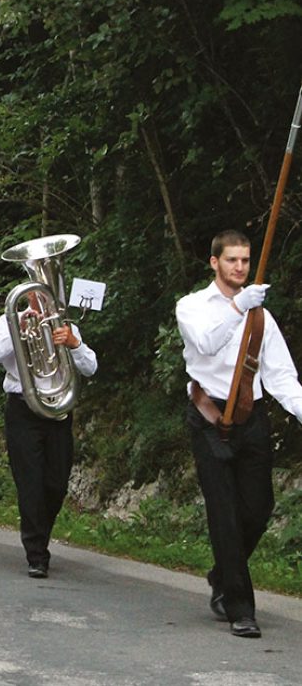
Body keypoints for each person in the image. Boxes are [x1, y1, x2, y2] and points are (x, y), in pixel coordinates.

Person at [175, 230, 302, 639]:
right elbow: (206, 344)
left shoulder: (260, 314)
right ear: (214, 262)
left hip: (251, 419)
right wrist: (237, 309)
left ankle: (222, 575)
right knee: (224, 515)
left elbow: (282, 377)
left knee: (259, 507)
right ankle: (240, 608)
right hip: (208, 416)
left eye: (245, 260)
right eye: (232, 260)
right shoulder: (191, 306)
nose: (240, 268)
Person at [0, 281, 97, 579]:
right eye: (36, 294)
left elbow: (90, 367)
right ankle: (36, 553)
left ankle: (39, 535)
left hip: (58, 409)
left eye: (47, 293)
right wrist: (17, 325)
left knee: (56, 484)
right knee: (30, 483)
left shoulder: (66, 325)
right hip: (23, 408)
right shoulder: (9, 320)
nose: (42, 299)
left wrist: (74, 344)